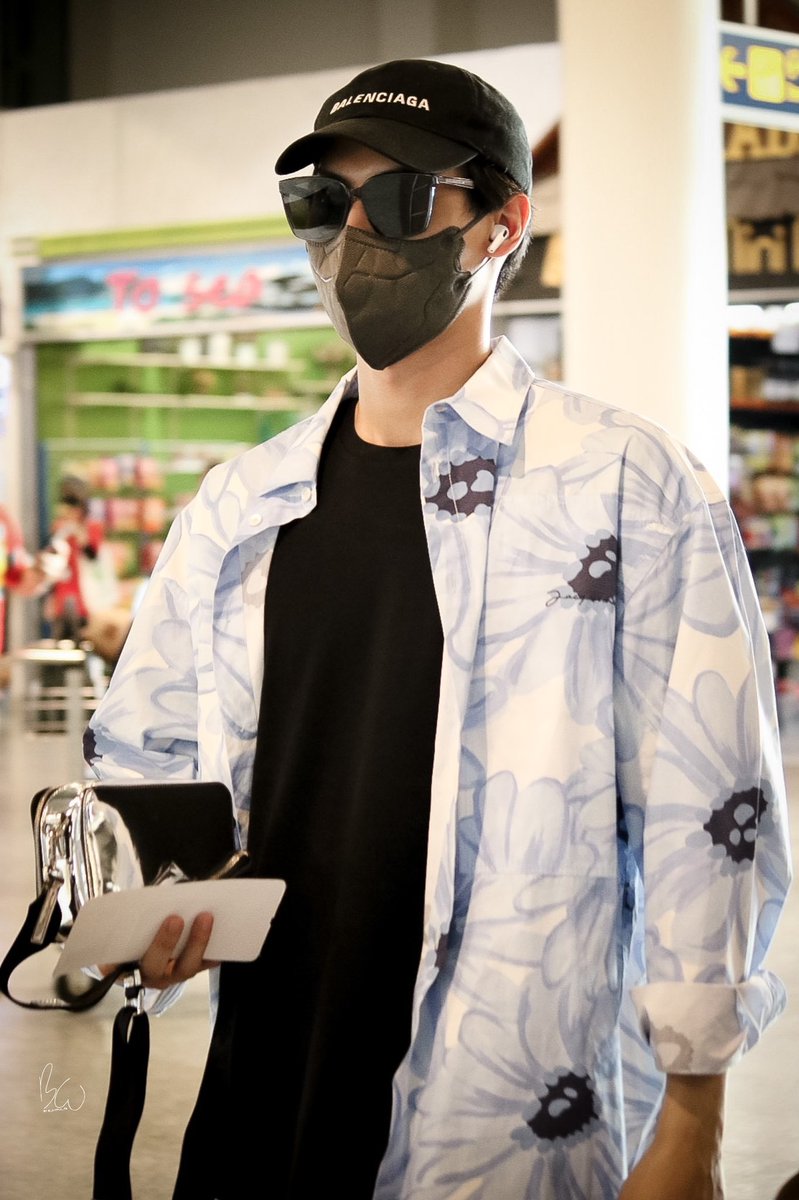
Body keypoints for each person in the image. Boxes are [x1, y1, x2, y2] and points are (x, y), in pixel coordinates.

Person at [85, 58, 793, 1200]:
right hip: (267, 1082)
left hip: (505, 1107)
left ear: (500, 227)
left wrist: (693, 1119)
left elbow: (710, 801)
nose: (355, 235)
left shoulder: (624, 484)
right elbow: (149, 752)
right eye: (325, 202)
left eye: (402, 197)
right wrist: (148, 915)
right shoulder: (240, 507)